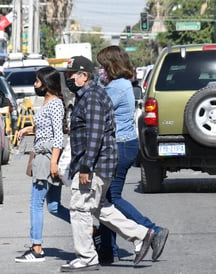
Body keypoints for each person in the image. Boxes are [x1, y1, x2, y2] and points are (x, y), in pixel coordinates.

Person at [60, 56, 154, 272]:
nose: (68, 79)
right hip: (99, 163)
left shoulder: (91, 97)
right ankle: (141, 235)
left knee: (80, 208)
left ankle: (86, 257)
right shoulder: (89, 95)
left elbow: (95, 134)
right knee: (100, 208)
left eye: (70, 75)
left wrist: (86, 167)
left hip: (94, 165)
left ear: (84, 76)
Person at [96, 45, 169, 263]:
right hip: (126, 145)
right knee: (106, 199)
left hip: (118, 146)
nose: (101, 71)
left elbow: (97, 112)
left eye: (102, 66)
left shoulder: (115, 87)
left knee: (111, 199)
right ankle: (108, 250)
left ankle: (152, 230)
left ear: (110, 65)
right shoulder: (124, 84)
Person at [15, 66, 70, 263]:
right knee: (54, 206)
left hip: (47, 158)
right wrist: (29, 129)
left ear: (46, 84)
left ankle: (36, 248)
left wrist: (54, 162)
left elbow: (58, 136)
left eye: (38, 81)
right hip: (44, 155)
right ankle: (91, 229)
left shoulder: (55, 104)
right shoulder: (47, 102)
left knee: (35, 203)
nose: (35, 84)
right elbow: (45, 127)